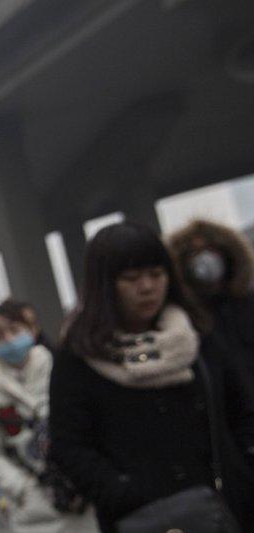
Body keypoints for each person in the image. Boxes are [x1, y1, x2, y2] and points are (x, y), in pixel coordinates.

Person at [49, 222, 254, 532]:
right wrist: (126, 495)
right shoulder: (80, 357)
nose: (147, 287)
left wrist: (241, 470)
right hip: (144, 520)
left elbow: (241, 412)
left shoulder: (196, 335)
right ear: (104, 285)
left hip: (228, 510)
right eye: (130, 278)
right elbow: (69, 446)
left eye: (157, 274)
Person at [0, 301, 97, 533]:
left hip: (81, 496)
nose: (9, 339)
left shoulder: (61, 369)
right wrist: (22, 488)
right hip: (32, 513)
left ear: (32, 330)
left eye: (14, 329)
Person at [168, 218, 254, 382]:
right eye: (194, 252)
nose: (204, 258)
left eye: (210, 249)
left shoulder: (248, 303)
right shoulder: (185, 319)